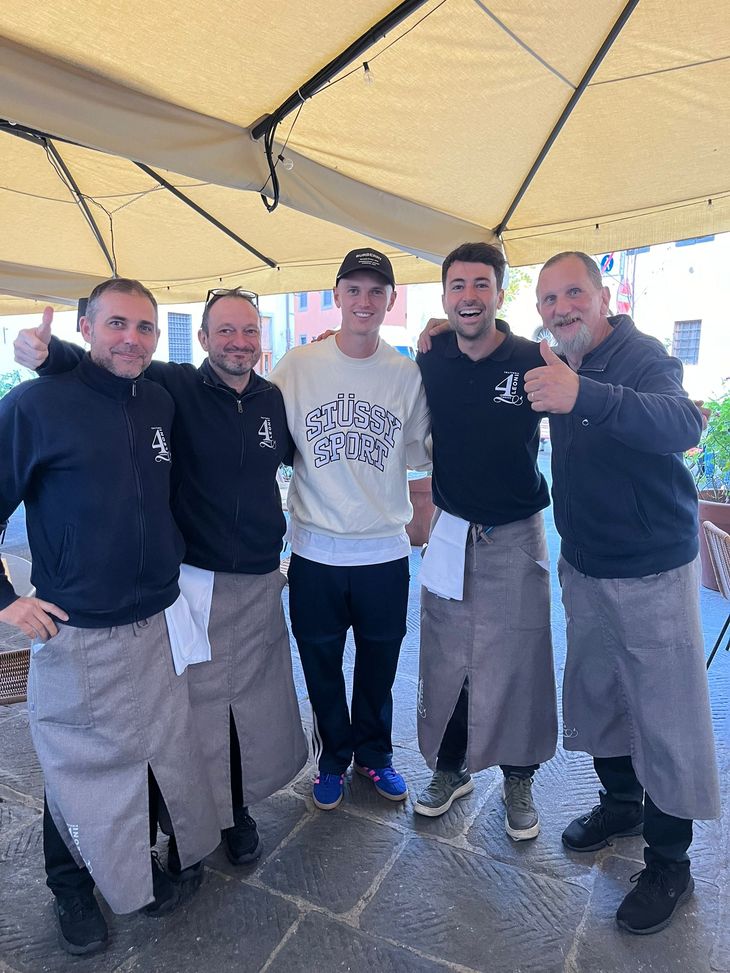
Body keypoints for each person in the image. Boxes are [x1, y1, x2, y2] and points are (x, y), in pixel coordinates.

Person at [14, 287, 308, 869]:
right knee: (172, 720)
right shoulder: (172, 387)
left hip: (239, 581)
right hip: (178, 586)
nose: (238, 341)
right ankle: (111, 860)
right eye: (225, 330)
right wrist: (53, 357)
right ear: (201, 339)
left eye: (249, 331)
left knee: (238, 709)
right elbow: (109, 364)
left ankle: (231, 812)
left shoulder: (268, 399)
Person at [0, 279, 220, 955]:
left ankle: (140, 860)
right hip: (77, 627)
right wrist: (7, 600)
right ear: (85, 327)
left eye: (145, 327)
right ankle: (71, 887)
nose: (131, 337)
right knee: (77, 768)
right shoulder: (32, 405)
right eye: (116, 323)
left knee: (154, 752)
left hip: (154, 618)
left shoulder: (156, 397)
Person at [525, 250, 720, 934]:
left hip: (651, 570)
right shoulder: (553, 360)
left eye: (573, 292)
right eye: (548, 299)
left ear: (603, 296)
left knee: (665, 717)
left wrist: (586, 396)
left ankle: (670, 861)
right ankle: (621, 803)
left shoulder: (643, 356)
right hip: (584, 564)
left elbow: (683, 425)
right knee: (601, 693)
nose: (560, 307)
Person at [270, 248, 431, 810]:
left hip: (383, 552)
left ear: (390, 299)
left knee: (380, 665)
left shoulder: (406, 373)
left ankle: (375, 754)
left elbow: (424, 449)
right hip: (315, 550)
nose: (364, 301)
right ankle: (333, 758)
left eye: (376, 291)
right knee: (319, 664)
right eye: (354, 290)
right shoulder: (296, 366)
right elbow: (259, 432)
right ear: (336, 295)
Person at [413, 242, 556, 839]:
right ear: (444, 296)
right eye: (457, 287)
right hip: (451, 531)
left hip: (517, 533)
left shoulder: (534, 357)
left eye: (480, 285)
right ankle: (451, 769)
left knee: (520, 659)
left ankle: (519, 781)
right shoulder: (432, 354)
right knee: (448, 660)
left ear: (500, 294)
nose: (468, 297)